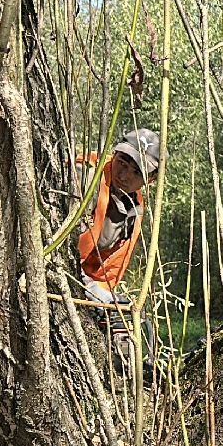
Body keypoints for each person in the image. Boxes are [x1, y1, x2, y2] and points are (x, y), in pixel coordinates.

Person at [75, 128, 160, 359]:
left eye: (136, 172)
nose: (124, 175)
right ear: (115, 154)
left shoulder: (134, 205)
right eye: (122, 162)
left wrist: (105, 298)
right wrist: (86, 287)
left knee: (129, 322)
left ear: (151, 179)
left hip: (87, 283)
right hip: (65, 277)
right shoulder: (84, 176)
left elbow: (109, 270)